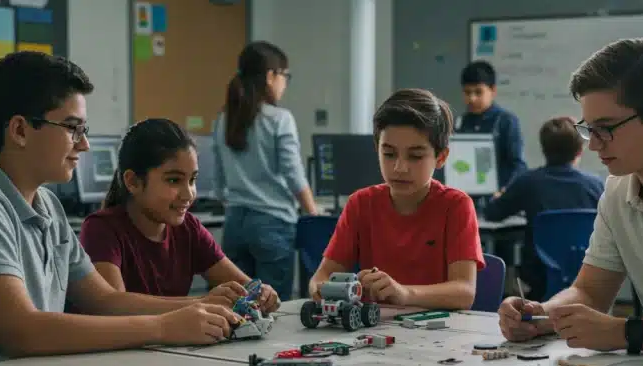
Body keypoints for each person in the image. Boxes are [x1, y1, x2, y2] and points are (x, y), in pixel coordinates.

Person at [0, 52, 241, 366]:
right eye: (73, 129)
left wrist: (200, 308)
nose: (83, 145)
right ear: (20, 130)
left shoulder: (47, 207)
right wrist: (164, 326)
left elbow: (104, 300)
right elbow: (22, 332)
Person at [498, 38, 643, 355]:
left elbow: (622, 330)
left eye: (607, 128)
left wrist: (627, 332)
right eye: (588, 129)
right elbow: (589, 292)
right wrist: (542, 313)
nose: (594, 145)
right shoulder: (616, 189)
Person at [78, 118, 280, 313]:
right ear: (133, 182)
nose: (188, 194)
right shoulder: (101, 229)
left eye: (192, 180)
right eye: (174, 180)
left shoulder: (189, 228)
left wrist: (260, 293)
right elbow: (114, 307)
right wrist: (202, 302)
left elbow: (244, 286)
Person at [308, 88, 485, 310]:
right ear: (377, 149)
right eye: (389, 154)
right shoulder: (360, 204)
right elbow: (321, 277)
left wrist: (404, 293)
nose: (400, 168)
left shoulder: (456, 206)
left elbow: (464, 293)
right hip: (374, 330)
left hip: (435, 332)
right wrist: (322, 289)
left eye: (416, 156)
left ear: (441, 157)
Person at [212, 41, 318, 302]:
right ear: (271, 75)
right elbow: (293, 173)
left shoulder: (224, 119)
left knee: (236, 307)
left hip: (235, 224)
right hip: (272, 224)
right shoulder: (279, 119)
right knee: (272, 308)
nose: (285, 83)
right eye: (285, 76)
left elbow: (217, 180)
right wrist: (313, 212)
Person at [484, 116, 604, 301]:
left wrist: (498, 197)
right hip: (587, 276)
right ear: (580, 150)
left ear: (544, 149)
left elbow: (492, 213)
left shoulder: (528, 182)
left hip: (538, 281)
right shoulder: (596, 185)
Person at [456, 60, 527, 190]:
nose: (472, 99)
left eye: (478, 92)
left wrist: (506, 190)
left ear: (493, 91)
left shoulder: (506, 121)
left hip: (498, 198)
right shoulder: (460, 123)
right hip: (466, 197)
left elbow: (518, 166)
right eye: (467, 92)